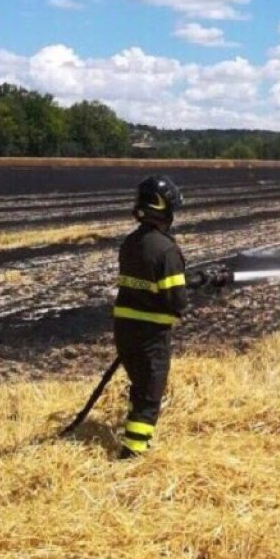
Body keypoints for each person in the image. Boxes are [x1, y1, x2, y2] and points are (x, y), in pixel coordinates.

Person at [113, 175, 187, 459]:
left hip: (126, 331)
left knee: (140, 384)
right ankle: (133, 452)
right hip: (151, 335)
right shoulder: (167, 249)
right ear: (163, 209)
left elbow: (147, 281)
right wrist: (183, 291)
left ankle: (133, 437)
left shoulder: (131, 243)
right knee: (150, 395)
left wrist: (182, 279)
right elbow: (176, 300)